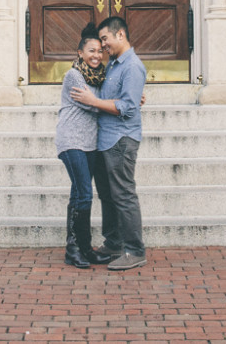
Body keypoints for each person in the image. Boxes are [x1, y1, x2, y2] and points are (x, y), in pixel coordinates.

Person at [71, 16, 147, 271]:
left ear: (120, 35)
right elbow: (118, 96)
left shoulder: (132, 66)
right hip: (105, 140)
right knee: (107, 195)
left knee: (124, 194)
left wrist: (94, 101)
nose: (103, 45)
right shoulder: (114, 64)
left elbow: (127, 107)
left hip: (121, 140)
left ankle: (135, 251)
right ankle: (113, 243)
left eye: (105, 39)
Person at [55, 23, 113, 268]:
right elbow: (92, 105)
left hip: (90, 143)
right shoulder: (74, 75)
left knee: (78, 193)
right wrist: (113, 103)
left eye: (100, 51)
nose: (96, 55)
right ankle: (79, 249)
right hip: (72, 141)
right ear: (80, 53)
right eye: (91, 51)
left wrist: (129, 98)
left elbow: (101, 99)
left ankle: (79, 248)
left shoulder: (99, 76)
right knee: (85, 194)